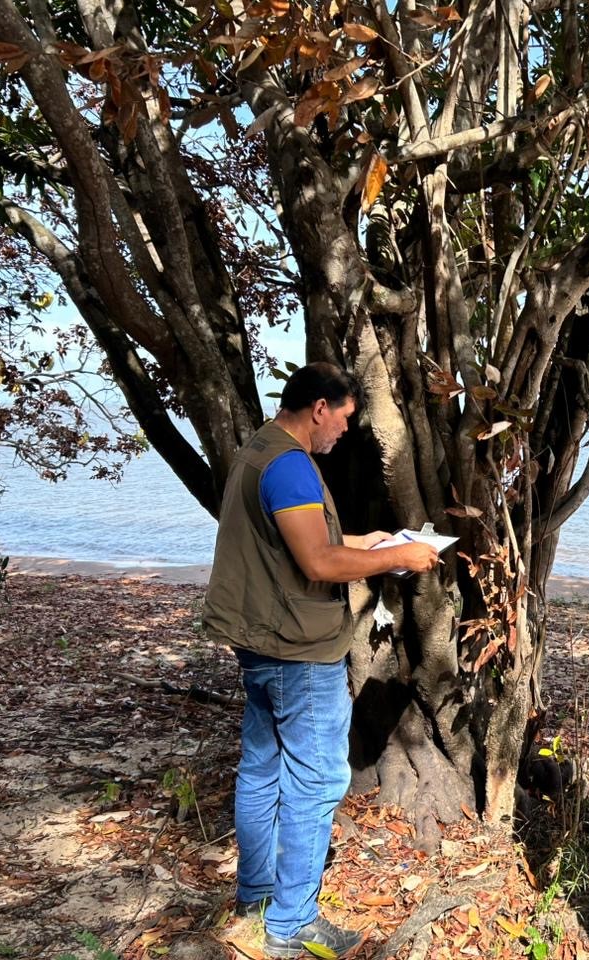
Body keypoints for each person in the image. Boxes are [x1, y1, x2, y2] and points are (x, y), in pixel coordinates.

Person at [203, 362, 438, 959]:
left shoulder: (260, 448)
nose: (344, 430)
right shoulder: (289, 467)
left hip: (260, 640)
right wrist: (398, 561)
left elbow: (307, 543)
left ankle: (255, 897)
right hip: (297, 650)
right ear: (318, 408)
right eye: (344, 417)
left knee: (262, 768)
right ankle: (291, 923)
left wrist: (374, 541)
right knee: (318, 778)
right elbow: (318, 565)